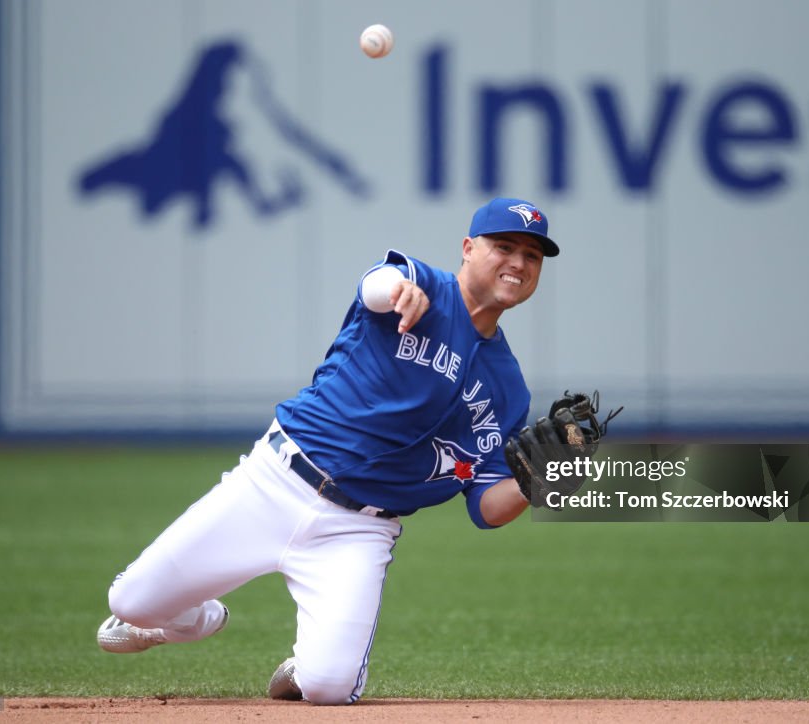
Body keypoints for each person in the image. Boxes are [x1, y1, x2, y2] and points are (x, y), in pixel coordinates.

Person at [97, 197, 560, 705]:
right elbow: (375, 285)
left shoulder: (508, 388)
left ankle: (307, 665)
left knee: (329, 687)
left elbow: (487, 508)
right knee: (130, 602)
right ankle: (192, 618)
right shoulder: (421, 286)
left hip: (357, 529)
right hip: (274, 481)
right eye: (504, 246)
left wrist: (539, 481)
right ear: (469, 248)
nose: (517, 262)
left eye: (532, 256)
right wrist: (396, 288)